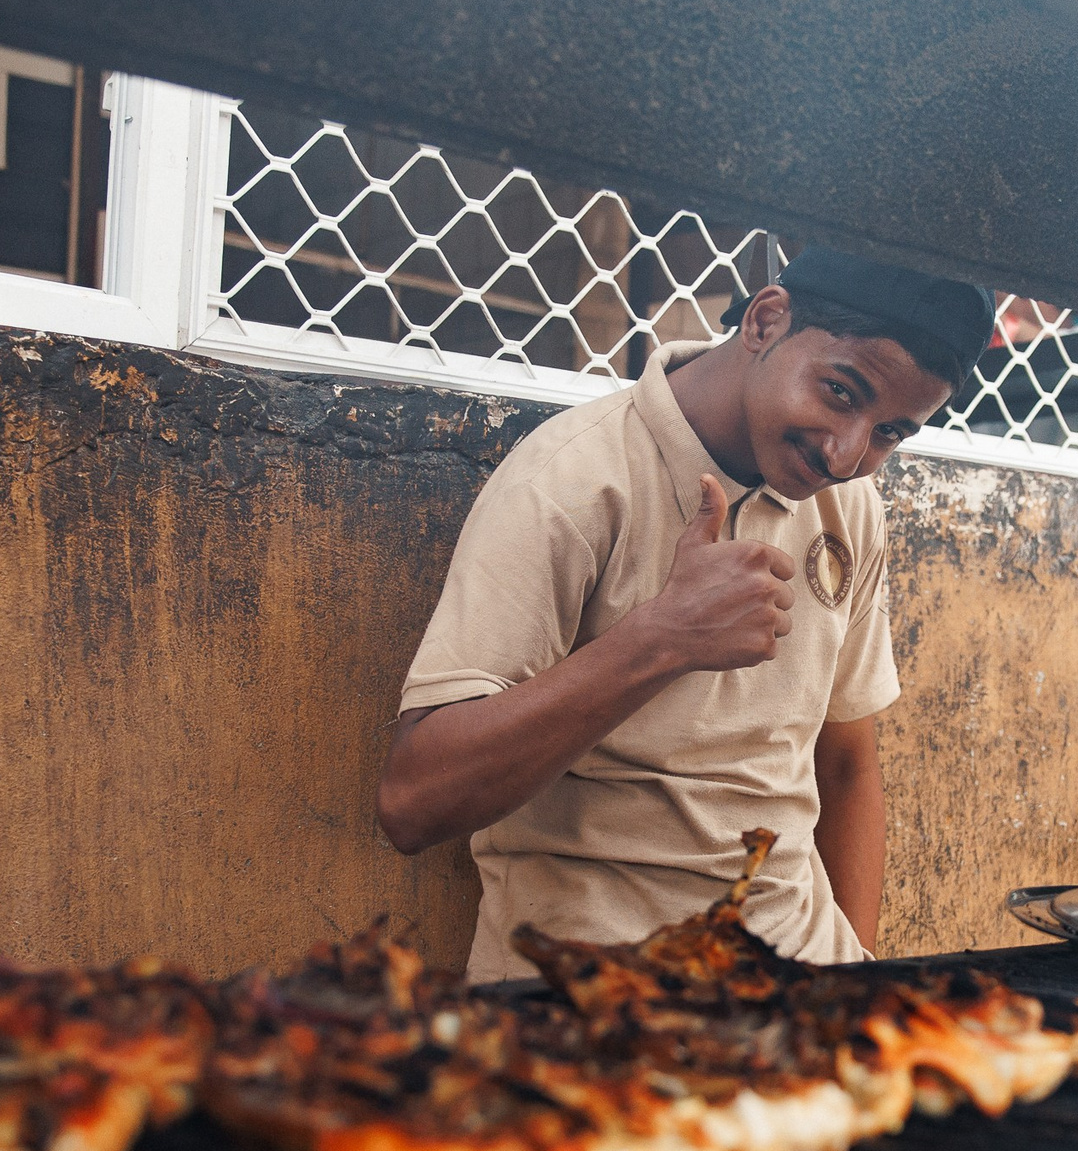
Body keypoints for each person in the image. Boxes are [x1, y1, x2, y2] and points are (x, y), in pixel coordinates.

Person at [376, 246, 997, 981]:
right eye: (839, 392)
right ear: (766, 321)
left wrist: (854, 981)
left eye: (890, 432)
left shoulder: (850, 506)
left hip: (800, 977)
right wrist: (662, 639)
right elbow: (414, 801)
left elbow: (845, 764)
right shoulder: (572, 480)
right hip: (598, 988)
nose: (846, 453)